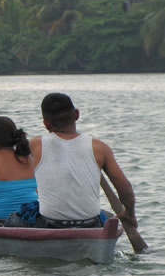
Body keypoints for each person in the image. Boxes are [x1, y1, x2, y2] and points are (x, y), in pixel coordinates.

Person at [29, 92, 137, 228]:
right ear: (77, 115)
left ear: (46, 123)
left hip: (50, 223)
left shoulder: (35, 144)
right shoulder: (100, 147)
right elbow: (125, 188)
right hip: (89, 224)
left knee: (18, 217)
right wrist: (130, 213)